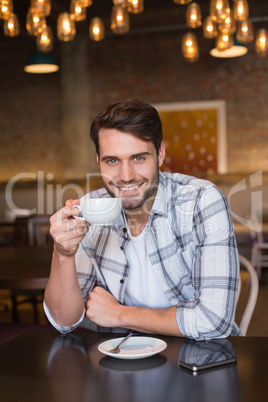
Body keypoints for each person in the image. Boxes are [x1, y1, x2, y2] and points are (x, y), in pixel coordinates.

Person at [44, 99, 242, 340]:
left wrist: (119, 315)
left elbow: (214, 321)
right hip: (121, 359)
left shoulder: (201, 199)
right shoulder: (91, 208)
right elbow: (64, 322)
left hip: (201, 357)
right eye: (112, 161)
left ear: (160, 154)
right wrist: (62, 254)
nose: (126, 176)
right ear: (98, 162)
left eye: (138, 158)